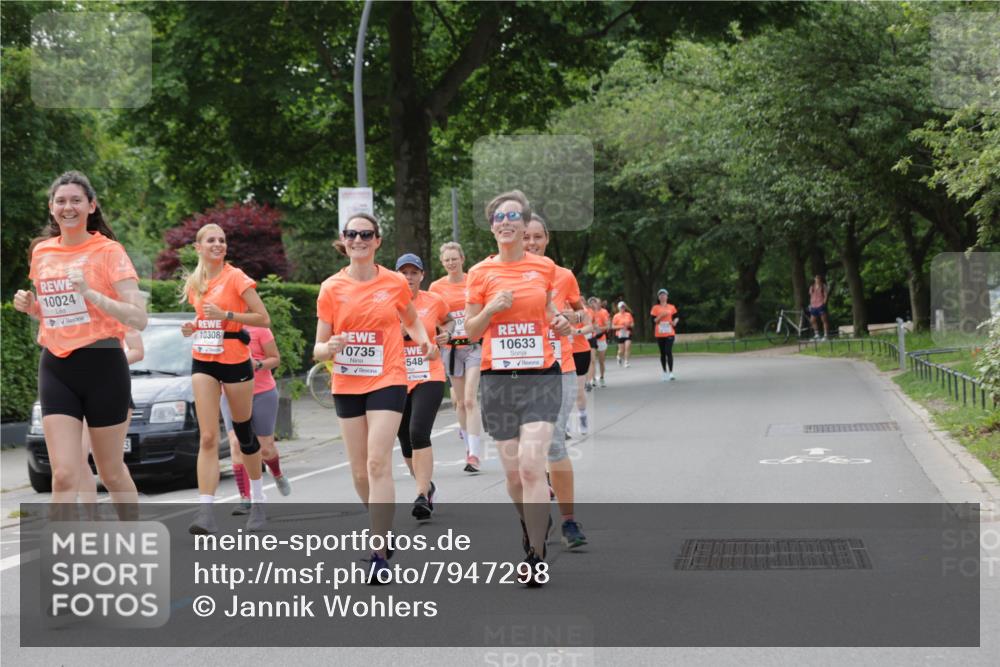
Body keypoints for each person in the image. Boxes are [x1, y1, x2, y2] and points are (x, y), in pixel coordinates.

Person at [13, 171, 147, 519]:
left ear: (91, 205)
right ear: (51, 207)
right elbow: (57, 314)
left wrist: (90, 292)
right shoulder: (41, 252)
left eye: (75, 200)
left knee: (111, 472)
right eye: (61, 201)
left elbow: (138, 317)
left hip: (103, 364)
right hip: (56, 365)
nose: (67, 207)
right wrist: (34, 307)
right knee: (63, 474)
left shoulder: (109, 252)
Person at [315, 214, 437, 581]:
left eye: (366, 234)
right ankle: (380, 520)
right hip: (348, 381)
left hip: (388, 377)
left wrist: (425, 341)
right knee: (358, 471)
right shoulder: (331, 288)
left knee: (376, 462)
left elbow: (412, 320)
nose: (359, 240)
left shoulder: (395, 282)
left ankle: (379, 549)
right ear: (344, 240)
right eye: (352, 234)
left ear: (377, 241)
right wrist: (329, 346)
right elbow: (318, 346)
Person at [464, 190, 573, 586]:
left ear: (523, 223)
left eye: (514, 216)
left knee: (530, 466)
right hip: (498, 381)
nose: (507, 222)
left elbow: (550, 313)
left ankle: (536, 557)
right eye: (499, 217)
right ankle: (531, 527)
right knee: (513, 476)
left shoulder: (544, 268)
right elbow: (470, 331)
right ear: (491, 226)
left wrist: (560, 322)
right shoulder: (480, 273)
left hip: (541, 377)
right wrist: (492, 309)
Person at [181, 223, 271, 534]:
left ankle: (258, 503)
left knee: (244, 434)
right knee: (207, 437)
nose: (218, 244)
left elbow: (263, 317)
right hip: (203, 359)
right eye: (211, 240)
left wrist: (228, 316)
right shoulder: (196, 282)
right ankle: (205, 513)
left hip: (234, 358)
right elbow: (203, 316)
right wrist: (193, 326)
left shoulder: (237, 278)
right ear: (199, 247)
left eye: (221, 240)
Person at [524, 215, 588, 549]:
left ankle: (568, 520)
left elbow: (583, 314)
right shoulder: (502, 275)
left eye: (537, 237)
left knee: (554, 443)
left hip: (559, 367)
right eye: (526, 237)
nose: (531, 243)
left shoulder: (562, 275)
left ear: (547, 239)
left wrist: (570, 318)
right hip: (517, 374)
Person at [396, 253, 452, 520]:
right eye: (404, 272)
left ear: (421, 275)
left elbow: (449, 320)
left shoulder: (433, 300)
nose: (408, 277)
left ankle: (421, 495)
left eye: (413, 272)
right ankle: (426, 485)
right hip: (395, 377)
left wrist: (447, 333)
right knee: (404, 439)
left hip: (429, 373)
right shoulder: (385, 303)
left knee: (419, 431)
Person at [221, 325, 289, 515]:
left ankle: (277, 473)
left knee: (265, 447)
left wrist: (257, 364)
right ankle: (245, 498)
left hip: (262, 393)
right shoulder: (222, 328)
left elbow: (275, 359)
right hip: (230, 393)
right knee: (236, 443)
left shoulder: (259, 329)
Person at [429, 242, 484, 473]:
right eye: (447, 260)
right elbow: (434, 316)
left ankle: (474, 454)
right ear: (442, 262)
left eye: (455, 258)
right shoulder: (436, 287)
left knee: (471, 400)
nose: (451, 263)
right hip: (451, 350)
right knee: (460, 402)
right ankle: (468, 442)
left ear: (462, 258)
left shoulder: (475, 280)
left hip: (473, 347)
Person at [77, 328, 144, 510]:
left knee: (112, 469)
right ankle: (91, 518)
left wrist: (108, 364)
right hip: (76, 390)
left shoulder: (113, 308)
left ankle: (129, 520)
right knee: (78, 458)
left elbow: (138, 351)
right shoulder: (71, 312)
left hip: (109, 388)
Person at [651, 289, 680, 382]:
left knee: (668, 351)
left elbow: (676, 317)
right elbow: (654, 320)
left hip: (669, 332)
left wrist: (675, 322)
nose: (662, 296)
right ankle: (664, 372)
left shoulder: (671, 307)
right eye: (660, 295)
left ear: (667, 296)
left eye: (664, 295)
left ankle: (671, 373)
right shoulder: (655, 308)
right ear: (658, 298)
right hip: (659, 333)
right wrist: (661, 316)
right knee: (662, 353)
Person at [590, 297, 610, 387]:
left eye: (597, 303)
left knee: (601, 361)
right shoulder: (589, 312)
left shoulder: (604, 312)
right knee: (592, 360)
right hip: (592, 338)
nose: (595, 305)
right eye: (593, 303)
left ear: (600, 304)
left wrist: (599, 328)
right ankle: (593, 379)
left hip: (601, 338)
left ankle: (602, 378)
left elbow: (607, 327)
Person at [612, 301, 635, 368]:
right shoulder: (616, 316)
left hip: (628, 333)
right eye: (621, 307)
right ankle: (619, 356)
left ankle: (626, 362)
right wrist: (621, 326)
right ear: (618, 308)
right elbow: (613, 326)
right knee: (621, 350)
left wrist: (629, 325)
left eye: (623, 307)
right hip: (620, 334)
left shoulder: (628, 314)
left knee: (627, 347)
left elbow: (633, 324)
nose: (622, 308)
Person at [809, 275, 830, 340]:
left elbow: (826, 295)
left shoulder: (823, 286)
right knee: (812, 320)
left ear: (820, 279)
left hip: (820, 304)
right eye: (816, 278)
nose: (817, 279)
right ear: (815, 279)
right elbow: (811, 295)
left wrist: (824, 303)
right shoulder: (812, 286)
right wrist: (811, 303)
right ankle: (817, 334)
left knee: (824, 320)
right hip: (814, 305)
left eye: (818, 278)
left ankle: (826, 335)